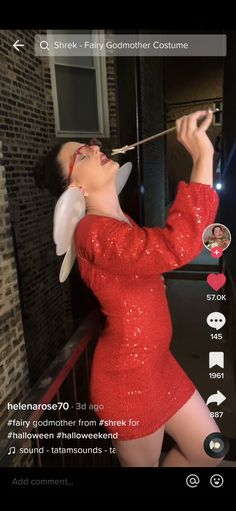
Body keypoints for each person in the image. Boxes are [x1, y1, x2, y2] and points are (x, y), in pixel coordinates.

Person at [34, 110, 223, 467]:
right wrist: (202, 158)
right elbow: (174, 246)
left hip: (159, 366)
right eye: (81, 155)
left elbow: (142, 259)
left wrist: (151, 280)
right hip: (127, 381)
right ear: (76, 187)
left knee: (208, 451)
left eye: (89, 144)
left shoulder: (118, 220)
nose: (93, 147)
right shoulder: (90, 231)